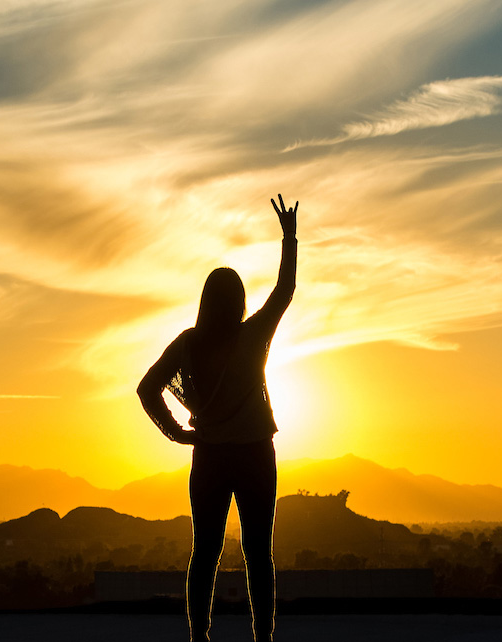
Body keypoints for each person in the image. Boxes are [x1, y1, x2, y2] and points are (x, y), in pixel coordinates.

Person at [137, 195, 298, 642]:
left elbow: (147, 389)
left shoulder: (188, 343)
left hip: (208, 457)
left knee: (204, 551)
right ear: (241, 301)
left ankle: (199, 637)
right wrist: (289, 238)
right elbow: (285, 292)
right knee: (258, 554)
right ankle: (263, 638)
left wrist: (177, 433)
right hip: (254, 456)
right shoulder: (253, 336)